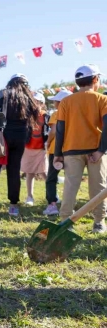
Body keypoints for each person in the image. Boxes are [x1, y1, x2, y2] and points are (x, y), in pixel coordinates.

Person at [55, 64, 107, 233]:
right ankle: (99, 223)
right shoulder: (102, 99)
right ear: (95, 79)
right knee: (98, 187)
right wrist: (101, 150)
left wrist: (57, 154)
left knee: (70, 187)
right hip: (95, 150)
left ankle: (65, 223)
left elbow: (60, 129)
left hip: (71, 151)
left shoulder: (65, 101)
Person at [0, 74, 39, 216]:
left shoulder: (4, 93)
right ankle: (13, 207)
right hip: (21, 137)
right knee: (14, 171)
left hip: (3, 136)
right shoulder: (28, 96)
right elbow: (34, 115)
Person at [43, 90, 72, 216]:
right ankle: (69, 205)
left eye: (55, 101)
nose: (54, 103)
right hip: (72, 149)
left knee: (51, 178)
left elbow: (54, 130)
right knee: (71, 179)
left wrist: (48, 142)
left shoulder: (57, 113)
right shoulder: (75, 113)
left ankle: (52, 205)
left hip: (56, 149)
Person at [21, 93, 49, 207]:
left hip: (41, 148)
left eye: (37, 102)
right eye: (33, 101)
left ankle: (52, 196)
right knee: (29, 173)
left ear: (42, 104)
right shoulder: (26, 116)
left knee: (44, 173)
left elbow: (49, 130)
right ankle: (30, 196)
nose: (35, 104)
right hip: (28, 148)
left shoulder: (46, 116)